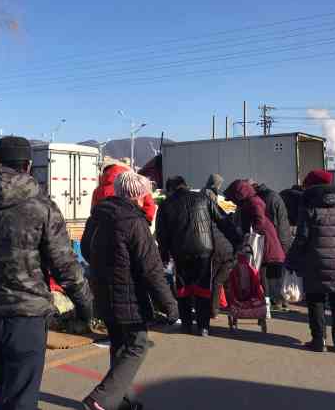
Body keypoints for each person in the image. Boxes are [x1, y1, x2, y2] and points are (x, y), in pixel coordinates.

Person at [0, 136, 92, 410]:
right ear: (27, 166)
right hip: (26, 318)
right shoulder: (42, 207)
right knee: (22, 397)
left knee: (5, 390)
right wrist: (85, 303)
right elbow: (64, 264)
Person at [81, 171, 178, 410]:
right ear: (140, 194)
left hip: (102, 290)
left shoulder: (99, 216)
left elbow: (85, 249)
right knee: (137, 345)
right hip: (129, 294)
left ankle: (122, 400)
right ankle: (101, 398)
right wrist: (169, 305)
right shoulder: (135, 222)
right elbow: (152, 269)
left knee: (120, 346)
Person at [286, 170, 335, 352]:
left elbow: (301, 239)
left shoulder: (309, 209)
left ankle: (318, 341)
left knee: (316, 302)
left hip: (315, 263)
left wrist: (291, 261)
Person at [157, 176, 240, 336]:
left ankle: (187, 324)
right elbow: (223, 220)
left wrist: (164, 254)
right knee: (203, 288)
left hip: (180, 252)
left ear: (170, 189)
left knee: (183, 288)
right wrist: (237, 241)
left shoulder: (166, 204)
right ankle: (203, 326)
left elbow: (161, 234)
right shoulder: (203, 199)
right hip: (204, 250)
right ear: (185, 185)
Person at [225, 179, 285, 313]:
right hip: (262, 241)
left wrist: (249, 235)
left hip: (263, 243)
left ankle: (266, 305)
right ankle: (265, 304)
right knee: (260, 274)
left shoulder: (253, 202)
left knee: (261, 275)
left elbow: (259, 221)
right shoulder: (251, 201)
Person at [254, 182, 293, 311]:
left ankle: (275, 299)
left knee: (269, 273)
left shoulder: (260, 199)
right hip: (279, 238)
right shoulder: (274, 197)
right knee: (278, 272)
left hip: (270, 238)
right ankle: (282, 299)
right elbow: (282, 222)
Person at [201, 174, 235, 318]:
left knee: (215, 279)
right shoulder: (209, 194)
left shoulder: (207, 192)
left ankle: (213, 308)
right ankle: (216, 307)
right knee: (218, 279)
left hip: (217, 248)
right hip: (223, 248)